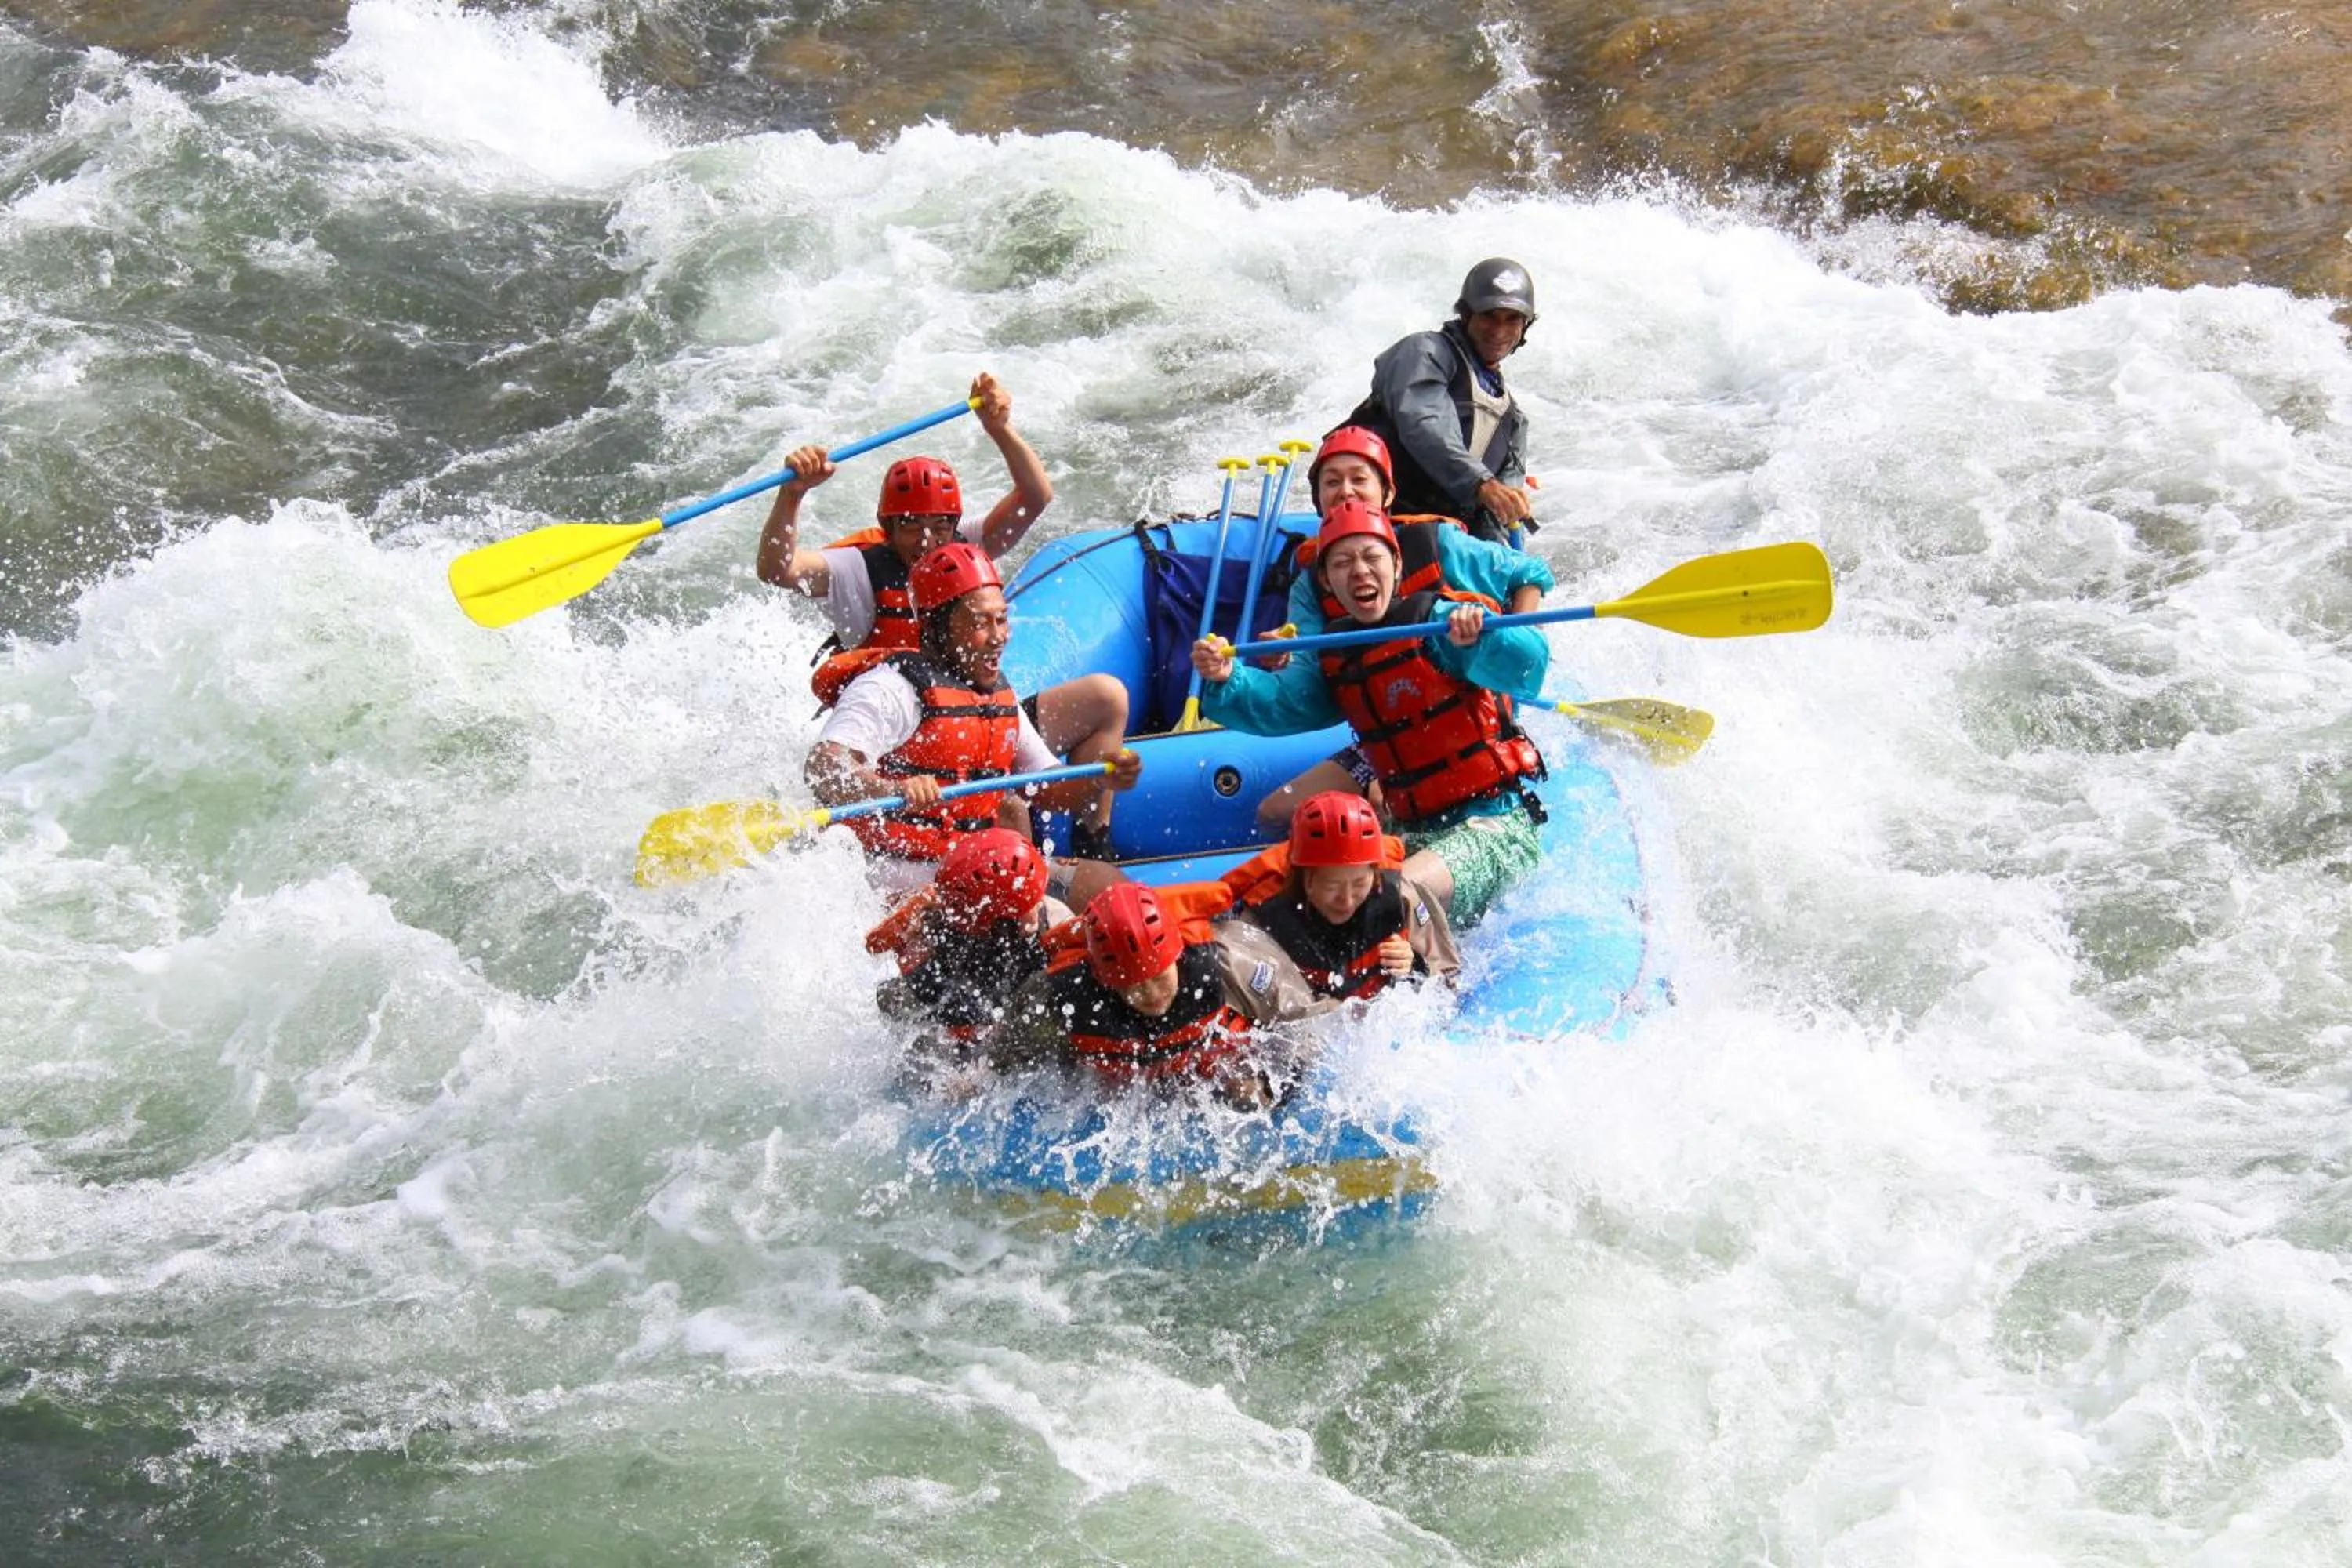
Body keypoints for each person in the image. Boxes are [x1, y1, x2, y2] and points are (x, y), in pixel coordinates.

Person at [757, 372, 1127, 848]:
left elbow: (1036, 497)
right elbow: (778, 569)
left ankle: (1095, 840)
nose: (928, 540)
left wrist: (998, 428)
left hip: (976, 717)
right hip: (903, 737)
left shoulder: (963, 548)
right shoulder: (858, 570)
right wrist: (793, 494)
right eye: (911, 527)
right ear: (887, 526)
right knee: (1009, 808)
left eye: (939, 526)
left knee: (1106, 697)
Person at [1191, 499, 1549, 930]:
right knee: (1308, 903)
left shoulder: (1440, 622)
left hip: (1495, 825)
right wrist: (1230, 678)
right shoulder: (1338, 654)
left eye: (1371, 557)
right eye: (1342, 563)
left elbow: (1530, 669)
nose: (1359, 571)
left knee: (1379, 902)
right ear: (1328, 581)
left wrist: (1482, 640)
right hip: (1412, 829)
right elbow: (1284, 706)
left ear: (1397, 566)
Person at [1253, 423, 1554, 834]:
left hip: (1470, 721)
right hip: (1389, 732)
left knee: (1383, 805)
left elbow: (1530, 574)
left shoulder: (1435, 543)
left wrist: (1518, 644)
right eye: (1332, 482)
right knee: (1275, 812)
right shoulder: (1314, 579)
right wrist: (1284, 660)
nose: (1345, 491)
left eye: (1359, 480)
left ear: (1388, 494)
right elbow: (1309, 668)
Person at [804, 540, 1138, 907]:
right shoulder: (893, 687)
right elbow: (822, 768)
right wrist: (892, 788)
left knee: (1113, 892)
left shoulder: (996, 695)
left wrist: (1099, 781)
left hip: (981, 866)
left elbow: (1046, 789)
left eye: (1001, 619)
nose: (999, 637)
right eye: (980, 623)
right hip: (898, 876)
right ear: (937, 626)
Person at [993, 881, 1332, 1108]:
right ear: (1103, 977)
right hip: (1136, 1081)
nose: (1150, 994)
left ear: (1178, 954)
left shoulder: (1231, 962)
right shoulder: (1060, 995)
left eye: (1159, 976)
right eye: (1132, 984)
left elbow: (1306, 1029)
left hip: (1222, 1067)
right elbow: (1008, 1058)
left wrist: (1274, 1087)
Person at [1344, 258, 1538, 543]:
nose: (1499, 331)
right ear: (1467, 314)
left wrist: (1501, 564)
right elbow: (1424, 424)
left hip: (1440, 541)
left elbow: (1497, 513)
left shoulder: (1513, 421)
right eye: (1489, 316)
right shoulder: (1425, 352)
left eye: (1512, 320)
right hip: (1377, 524)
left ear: (1525, 326)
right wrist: (1481, 483)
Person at [867, 828, 1070, 1094]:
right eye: (1027, 906)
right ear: (994, 921)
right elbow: (888, 991)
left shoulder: (1056, 926)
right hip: (954, 1021)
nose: (1035, 910)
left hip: (1005, 1022)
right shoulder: (939, 929)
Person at [1223, 791, 1460, 1004]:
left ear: (1375, 872)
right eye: (1331, 886)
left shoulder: (1401, 897)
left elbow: (1447, 986)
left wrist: (1415, 965)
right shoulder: (1260, 922)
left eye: (1359, 884)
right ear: (1303, 878)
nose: (1346, 900)